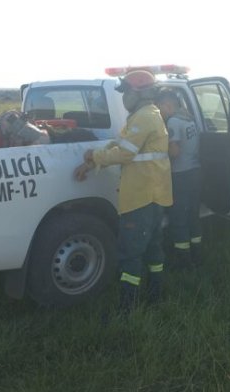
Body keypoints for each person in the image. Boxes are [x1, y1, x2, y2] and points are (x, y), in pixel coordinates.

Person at [74, 70, 172, 313]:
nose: (124, 98)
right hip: (154, 193)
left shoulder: (144, 117)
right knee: (152, 247)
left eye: (126, 92)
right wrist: (93, 161)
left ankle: (128, 305)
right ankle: (155, 294)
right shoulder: (145, 115)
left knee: (131, 252)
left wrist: (95, 156)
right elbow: (120, 144)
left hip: (141, 196)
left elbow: (125, 153)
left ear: (138, 93)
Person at [156, 89, 202, 269]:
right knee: (193, 216)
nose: (159, 112)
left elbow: (174, 151)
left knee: (179, 218)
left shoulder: (174, 121)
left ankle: (183, 261)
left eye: (160, 108)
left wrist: (158, 150)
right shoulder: (189, 118)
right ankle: (197, 255)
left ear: (168, 105)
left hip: (180, 175)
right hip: (195, 172)